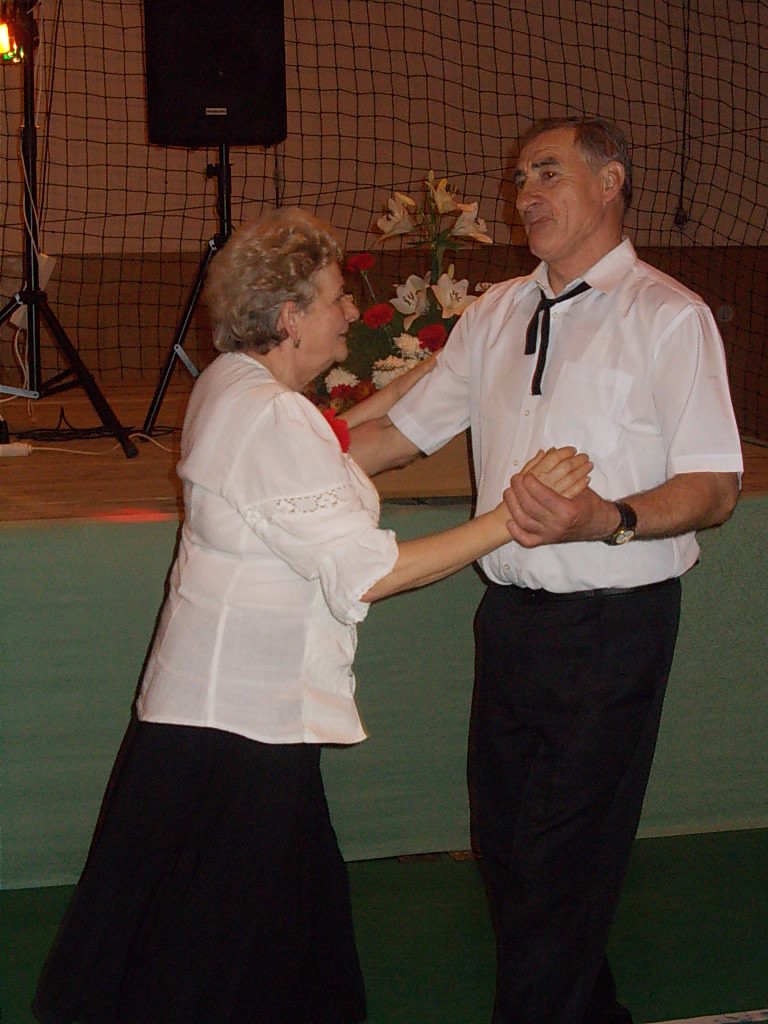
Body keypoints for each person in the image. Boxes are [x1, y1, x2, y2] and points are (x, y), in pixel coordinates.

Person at [32, 207, 589, 1024]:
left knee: (283, 936)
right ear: (291, 317)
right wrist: (515, 517)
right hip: (236, 733)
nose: (350, 312)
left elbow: (330, 440)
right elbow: (372, 571)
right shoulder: (271, 416)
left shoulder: (232, 382)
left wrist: (439, 368)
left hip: (217, 721)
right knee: (208, 958)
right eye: (335, 299)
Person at [348, 117, 743, 1024]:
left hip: (614, 627)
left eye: (549, 173)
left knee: (561, 870)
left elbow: (716, 487)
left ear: (611, 181)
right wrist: (279, 450)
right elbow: (403, 432)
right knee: (509, 854)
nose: (525, 193)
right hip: (512, 624)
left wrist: (607, 517)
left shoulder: (668, 316)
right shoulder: (496, 311)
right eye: (521, 176)